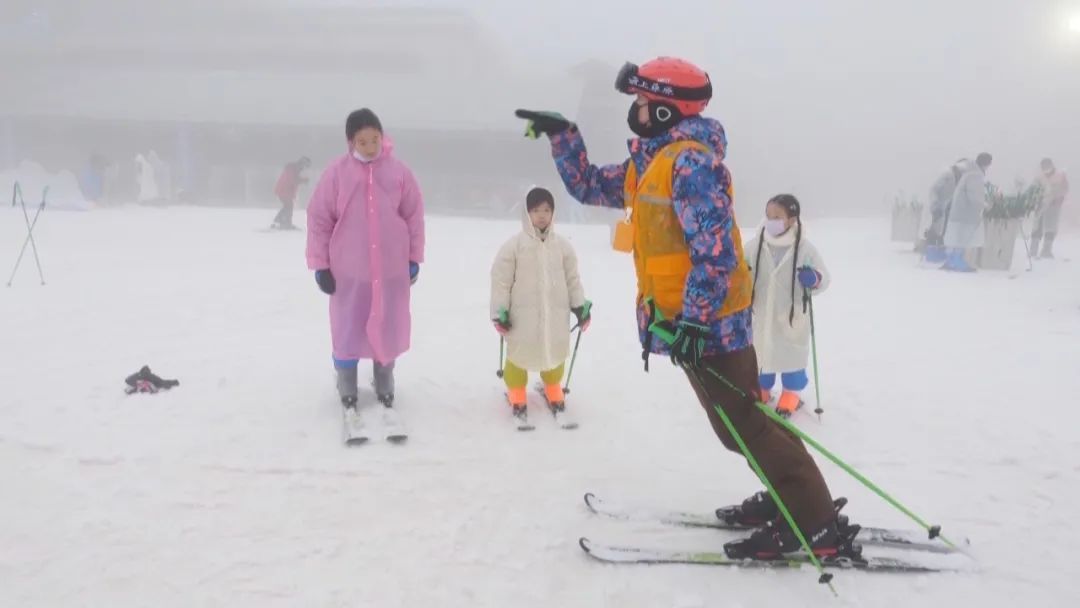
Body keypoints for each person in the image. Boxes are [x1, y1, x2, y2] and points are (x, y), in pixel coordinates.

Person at [515, 57, 849, 559]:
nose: (637, 110)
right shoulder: (652, 163)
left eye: (644, 102)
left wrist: (695, 317)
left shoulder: (690, 164)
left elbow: (715, 251)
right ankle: (789, 496)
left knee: (747, 425)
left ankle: (814, 520)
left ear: (668, 111)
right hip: (686, 324)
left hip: (709, 325)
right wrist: (564, 137)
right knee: (738, 426)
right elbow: (589, 185)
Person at [306, 108, 425, 409]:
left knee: (388, 323)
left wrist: (413, 257)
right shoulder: (336, 174)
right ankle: (346, 382)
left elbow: (414, 216)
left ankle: (384, 377)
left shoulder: (399, 173)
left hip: (390, 269)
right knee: (347, 326)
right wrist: (321, 265)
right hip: (349, 271)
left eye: (375, 139)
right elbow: (320, 218)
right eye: (363, 142)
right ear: (351, 142)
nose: (371, 147)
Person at [490, 187, 590, 423]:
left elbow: (572, 279)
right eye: (536, 210)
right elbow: (501, 282)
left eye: (546, 210)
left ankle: (553, 387)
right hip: (521, 317)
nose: (542, 215)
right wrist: (499, 312)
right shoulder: (513, 246)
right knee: (519, 354)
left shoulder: (563, 247)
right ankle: (516, 392)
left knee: (554, 352)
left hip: (556, 315)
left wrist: (580, 306)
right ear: (527, 213)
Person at [744, 195, 830, 418]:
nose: (771, 221)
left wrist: (815, 279)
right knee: (761, 356)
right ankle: (762, 390)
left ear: (792, 220)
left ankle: (790, 394)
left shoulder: (804, 248)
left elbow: (824, 278)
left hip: (791, 317)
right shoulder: (756, 245)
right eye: (768, 215)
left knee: (791, 358)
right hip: (761, 313)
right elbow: (741, 268)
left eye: (777, 217)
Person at [942, 153, 992, 272]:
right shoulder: (975, 175)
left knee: (956, 238)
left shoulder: (969, 172)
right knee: (962, 238)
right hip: (966, 214)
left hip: (959, 212)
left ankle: (951, 261)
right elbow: (974, 196)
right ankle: (957, 262)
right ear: (987, 164)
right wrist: (985, 205)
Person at [1032, 158, 1069, 259]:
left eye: (1047, 166)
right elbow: (1034, 189)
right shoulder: (1039, 177)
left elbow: (1065, 189)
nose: (1045, 169)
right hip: (1041, 205)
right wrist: (1036, 201)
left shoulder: (1060, 176)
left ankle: (1046, 251)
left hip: (1054, 205)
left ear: (1052, 165)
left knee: (1050, 228)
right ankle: (1033, 251)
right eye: (1043, 167)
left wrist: (1059, 199)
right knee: (1036, 227)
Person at [272, 156, 311, 230]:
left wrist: (303, 180)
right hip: (283, 190)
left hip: (285, 191)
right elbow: (292, 180)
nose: (305, 168)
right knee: (289, 206)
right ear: (302, 163)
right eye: (306, 166)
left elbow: (294, 179)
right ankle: (285, 223)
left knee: (288, 206)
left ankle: (281, 221)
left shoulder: (295, 169)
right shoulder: (293, 168)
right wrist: (303, 180)